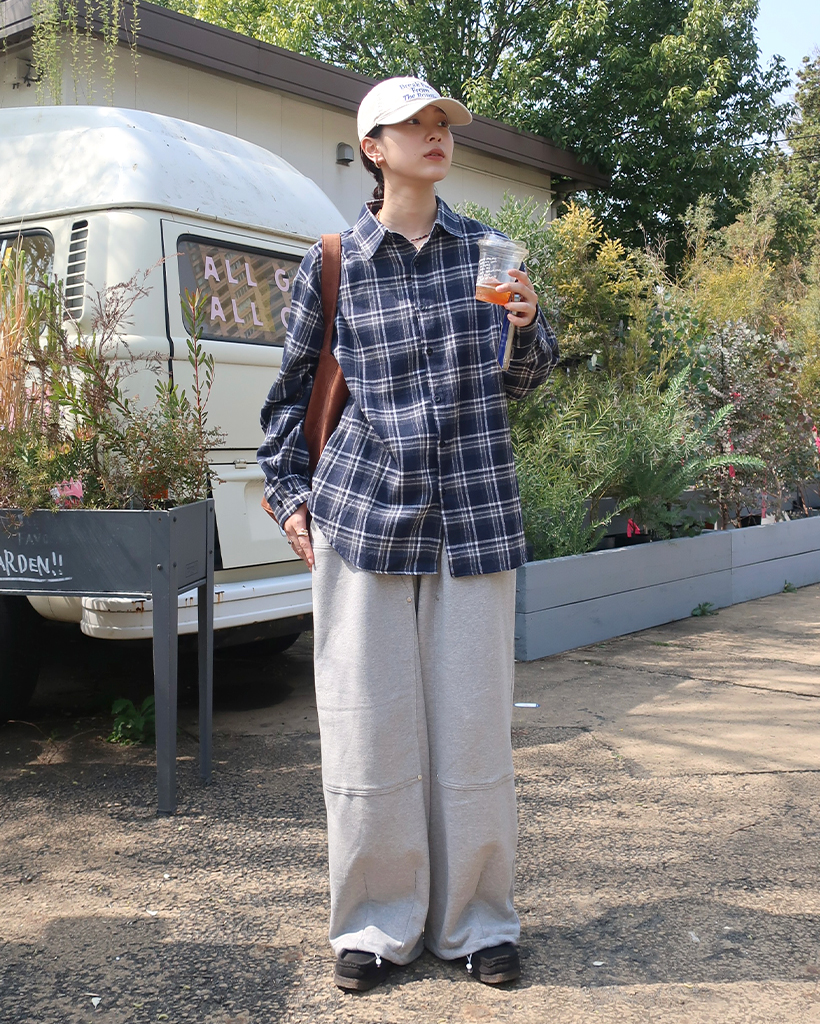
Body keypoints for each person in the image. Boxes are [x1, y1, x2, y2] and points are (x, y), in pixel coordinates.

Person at [258, 76, 558, 992]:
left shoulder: (489, 251)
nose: (435, 135)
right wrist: (292, 500)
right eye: (413, 125)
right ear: (373, 149)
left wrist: (528, 326)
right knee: (368, 733)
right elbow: (289, 395)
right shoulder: (335, 261)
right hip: (362, 517)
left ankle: (477, 923)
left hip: (473, 514)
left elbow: (524, 382)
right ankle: (375, 924)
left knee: (473, 736)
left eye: (443, 124)